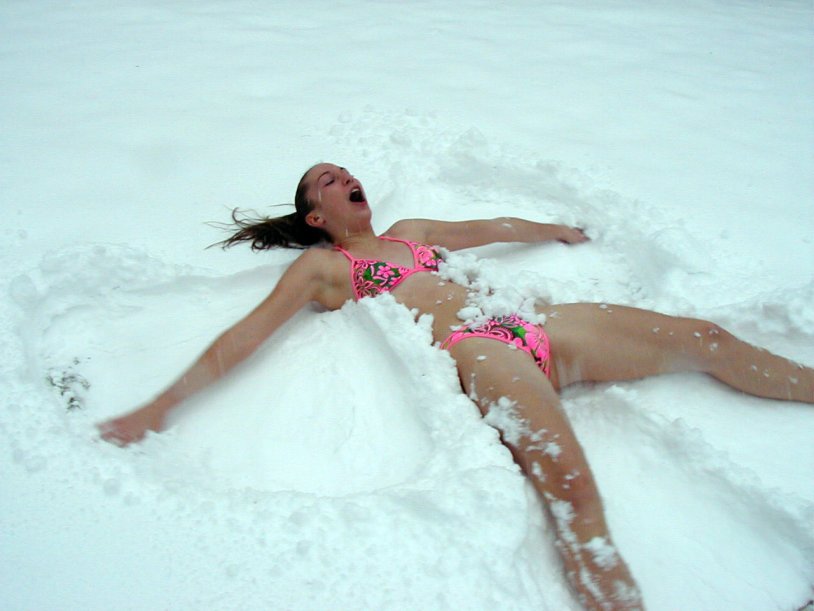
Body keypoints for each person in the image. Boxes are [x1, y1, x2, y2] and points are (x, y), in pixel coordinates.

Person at [98, 163, 814, 611]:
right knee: (572, 488)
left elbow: (486, 227)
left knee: (704, 339)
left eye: (344, 170)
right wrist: (159, 406)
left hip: (530, 321)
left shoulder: (411, 232)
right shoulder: (324, 271)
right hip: (477, 349)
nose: (344, 176)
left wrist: (552, 228)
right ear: (318, 217)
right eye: (325, 179)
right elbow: (245, 335)